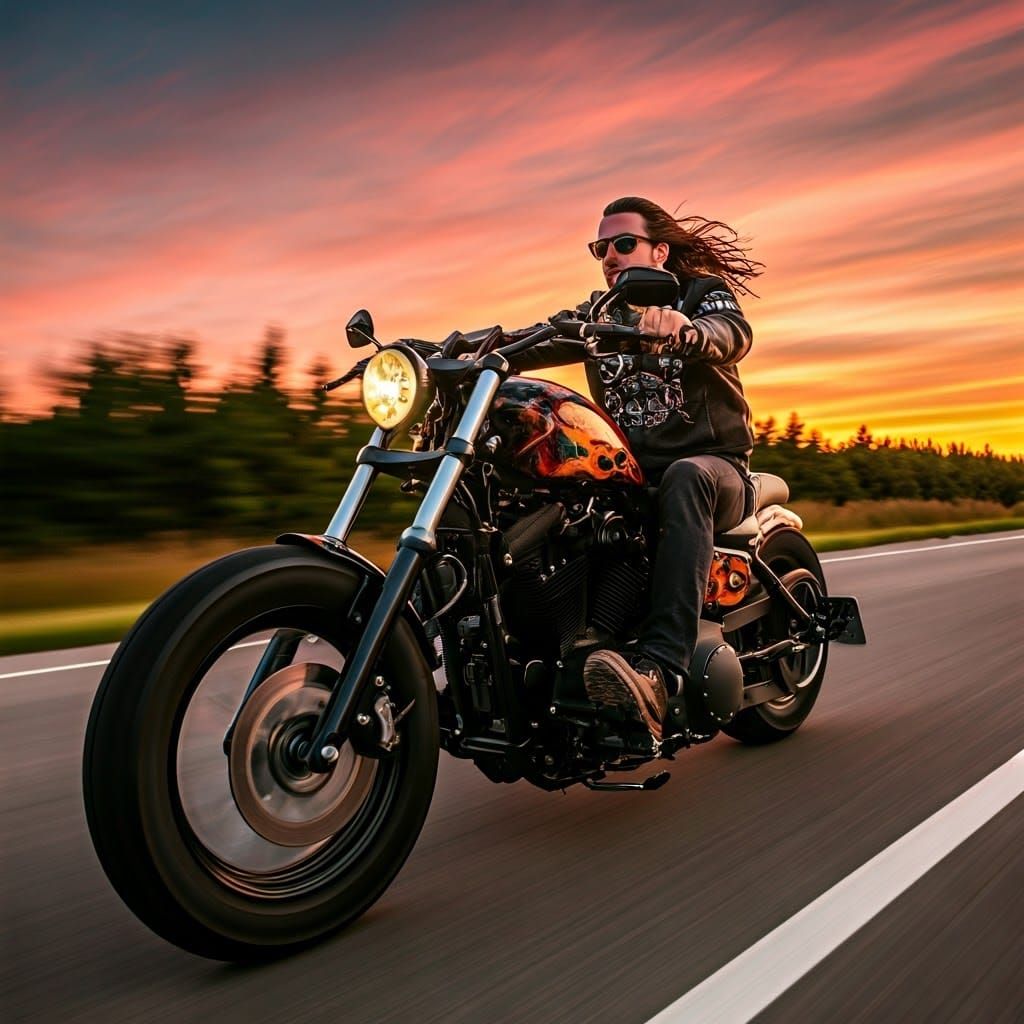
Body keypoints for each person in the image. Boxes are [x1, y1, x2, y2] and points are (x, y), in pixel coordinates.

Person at [513, 196, 763, 742]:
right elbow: (527, 340)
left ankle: (658, 671)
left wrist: (689, 330)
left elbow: (732, 331)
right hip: (631, 478)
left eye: (623, 243)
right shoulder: (597, 316)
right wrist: (443, 351)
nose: (609, 255)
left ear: (660, 250)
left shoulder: (697, 294)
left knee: (685, 477)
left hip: (714, 469)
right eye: (600, 247)